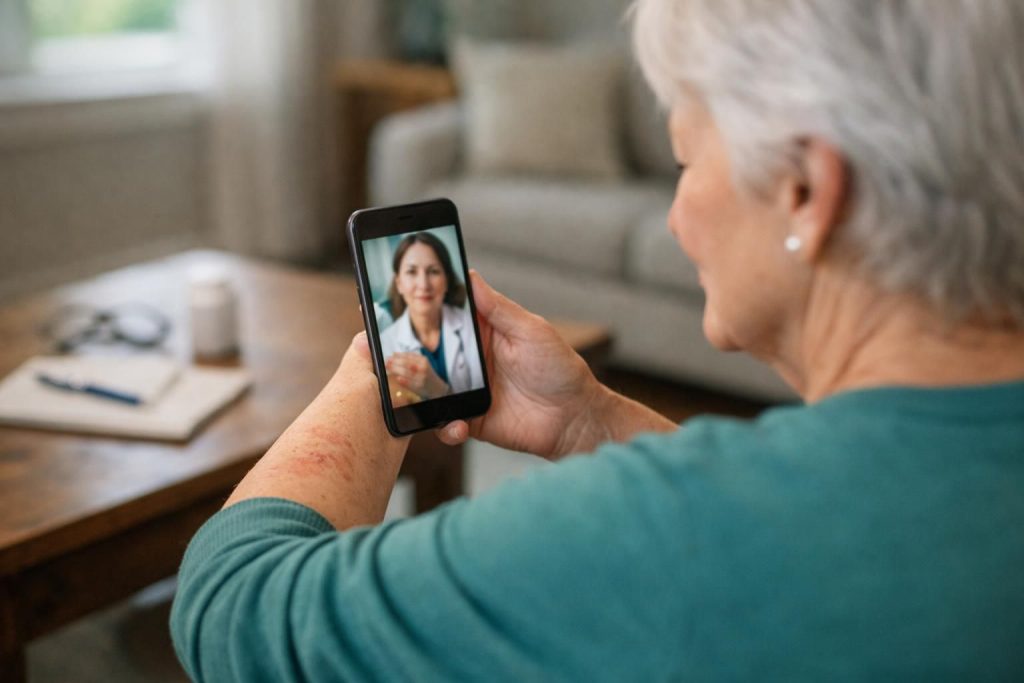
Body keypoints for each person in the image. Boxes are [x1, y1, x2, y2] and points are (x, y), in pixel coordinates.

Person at [170, 1, 1024, 680]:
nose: (678, 216)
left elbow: (233, 604)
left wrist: (384, 362)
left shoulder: (659, 532)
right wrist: (593, 422)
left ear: (804, 189)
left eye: (686, 161)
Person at [378, 231, 484, 404]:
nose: (423, 284)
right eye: (412, 272)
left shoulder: (472, 326)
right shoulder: (384, 344)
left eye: (433, 271)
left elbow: (480, 407)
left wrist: (438, 389)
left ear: (447, 280)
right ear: (399, 284)